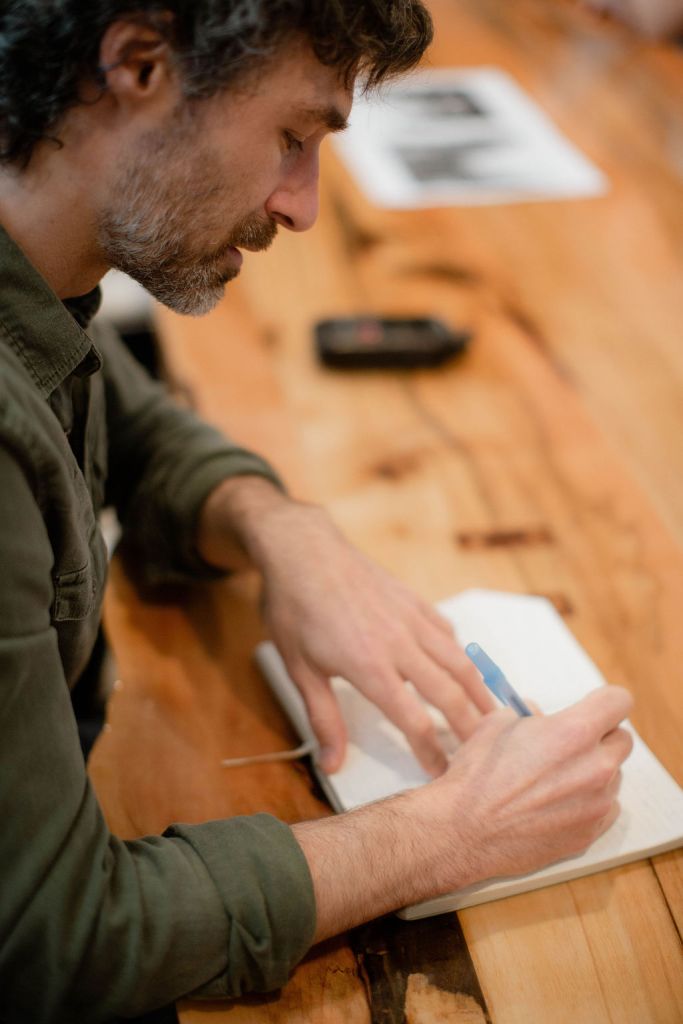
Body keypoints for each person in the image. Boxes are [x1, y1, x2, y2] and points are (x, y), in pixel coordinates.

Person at [0, 3, 634, 1022]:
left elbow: (124, 410)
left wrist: (275, 526)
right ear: (137, 61)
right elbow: (54, 937)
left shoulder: (37, 257)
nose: (300, 206)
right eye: (291, 138)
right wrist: (448, 831)